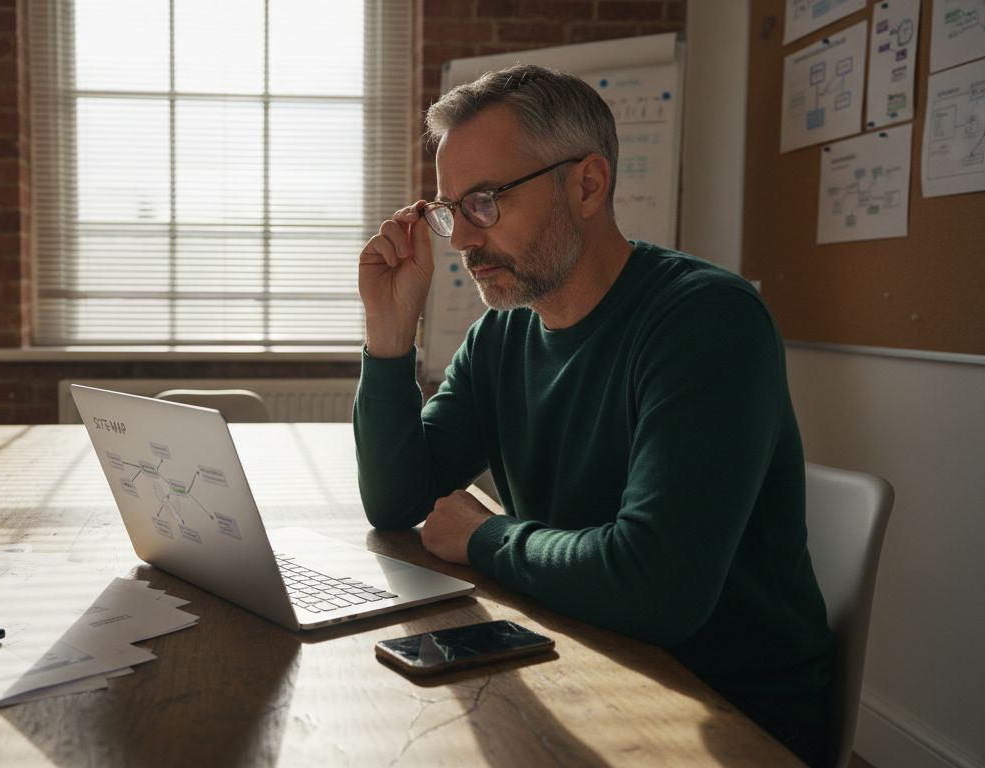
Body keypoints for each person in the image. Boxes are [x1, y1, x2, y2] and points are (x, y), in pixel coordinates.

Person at [353, 64, 834, 766]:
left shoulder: (707, 321)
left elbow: (657, 587)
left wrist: (486, 538)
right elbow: (395, 500)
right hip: (577, 648)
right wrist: (390, 334)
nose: (460, 243)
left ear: (586, 184)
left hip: (726, 714)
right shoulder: (502, 335)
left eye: (485, 201)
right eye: (451, 209)